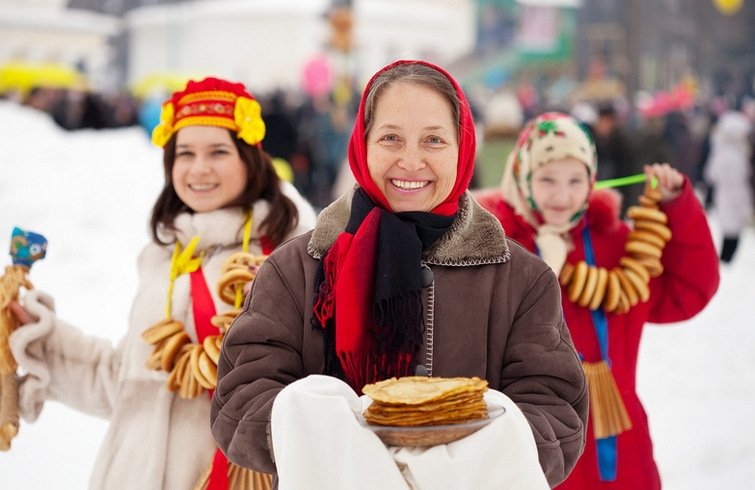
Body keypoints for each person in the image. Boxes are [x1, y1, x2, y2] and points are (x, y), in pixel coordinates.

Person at [211, 59, 588, 488]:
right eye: (391, 138)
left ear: (462, 149)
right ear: (362, 144)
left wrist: (457, 456)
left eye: (433, 140)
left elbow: (556, 412)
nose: (411, 161)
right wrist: (331, 438)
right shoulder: (296, 268)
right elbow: (239, 402)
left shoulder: (522, 280)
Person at [6, 77, 317, 489]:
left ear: (250, 159)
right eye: (184, 153)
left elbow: (309, 390)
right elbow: (124, 382)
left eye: (218, 152)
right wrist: (43, 338)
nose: (198, 169)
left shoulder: (290, 256)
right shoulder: (163, 257)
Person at [475, 112, 720, 489]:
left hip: (619, 445)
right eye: (547, 179)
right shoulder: (499, 246)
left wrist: (678, 207)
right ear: (523, 178)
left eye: (575, 181)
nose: (562, 195)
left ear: (592, 181)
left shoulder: (617, 243)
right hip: (534, 442)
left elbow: (688, 291)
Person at [703, 106, 753, 263]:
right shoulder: (739, 155)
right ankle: (726, 260)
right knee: (733, 230)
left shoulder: (720, 153)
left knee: (728, 229)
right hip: (737, 196)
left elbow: (710, 175)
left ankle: (725, 260)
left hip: (725, 196)